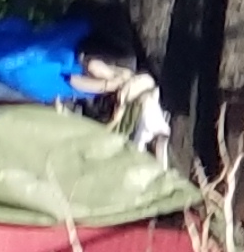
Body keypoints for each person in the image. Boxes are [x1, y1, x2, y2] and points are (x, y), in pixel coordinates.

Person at [65, 24, 170, 161]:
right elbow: (147, 91)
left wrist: (117, 117)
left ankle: (85, 71)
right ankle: (86, 68)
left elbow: (113, 129)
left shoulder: (140, 145)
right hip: (132, 92)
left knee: (112, 80)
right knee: (117, 78)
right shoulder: (157, 126)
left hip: (122, 106)